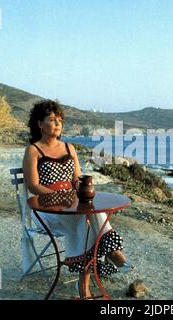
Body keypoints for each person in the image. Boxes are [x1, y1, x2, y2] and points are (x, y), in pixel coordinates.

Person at [22, 99, 134, 298]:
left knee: (89, 215)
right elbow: (33, 186)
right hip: (48, 210)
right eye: (52, 119)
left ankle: (84, 287)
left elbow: (77, 179)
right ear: (40, 124)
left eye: (60, 120)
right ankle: (112, 254)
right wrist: (59, 196)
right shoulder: (33, 150)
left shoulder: (69, 148)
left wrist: (79, 191)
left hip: (71, 205)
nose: (57, 124)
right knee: (87, 218)